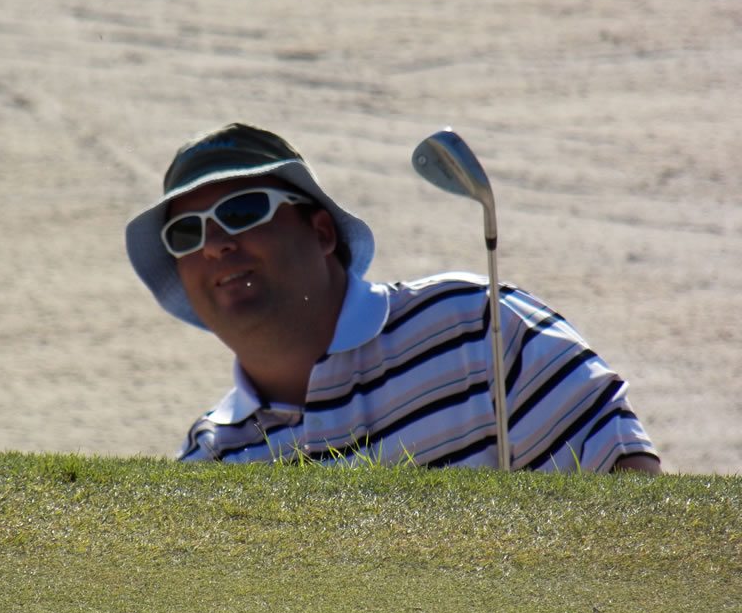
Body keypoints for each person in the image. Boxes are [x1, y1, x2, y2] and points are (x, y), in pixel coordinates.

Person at [125, 123, 661, 473]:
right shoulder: (211, 458)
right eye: (185, 234)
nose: (214, 244)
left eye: (242, 211)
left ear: (321, 233)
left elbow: (628, 492)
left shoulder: (477, 327)